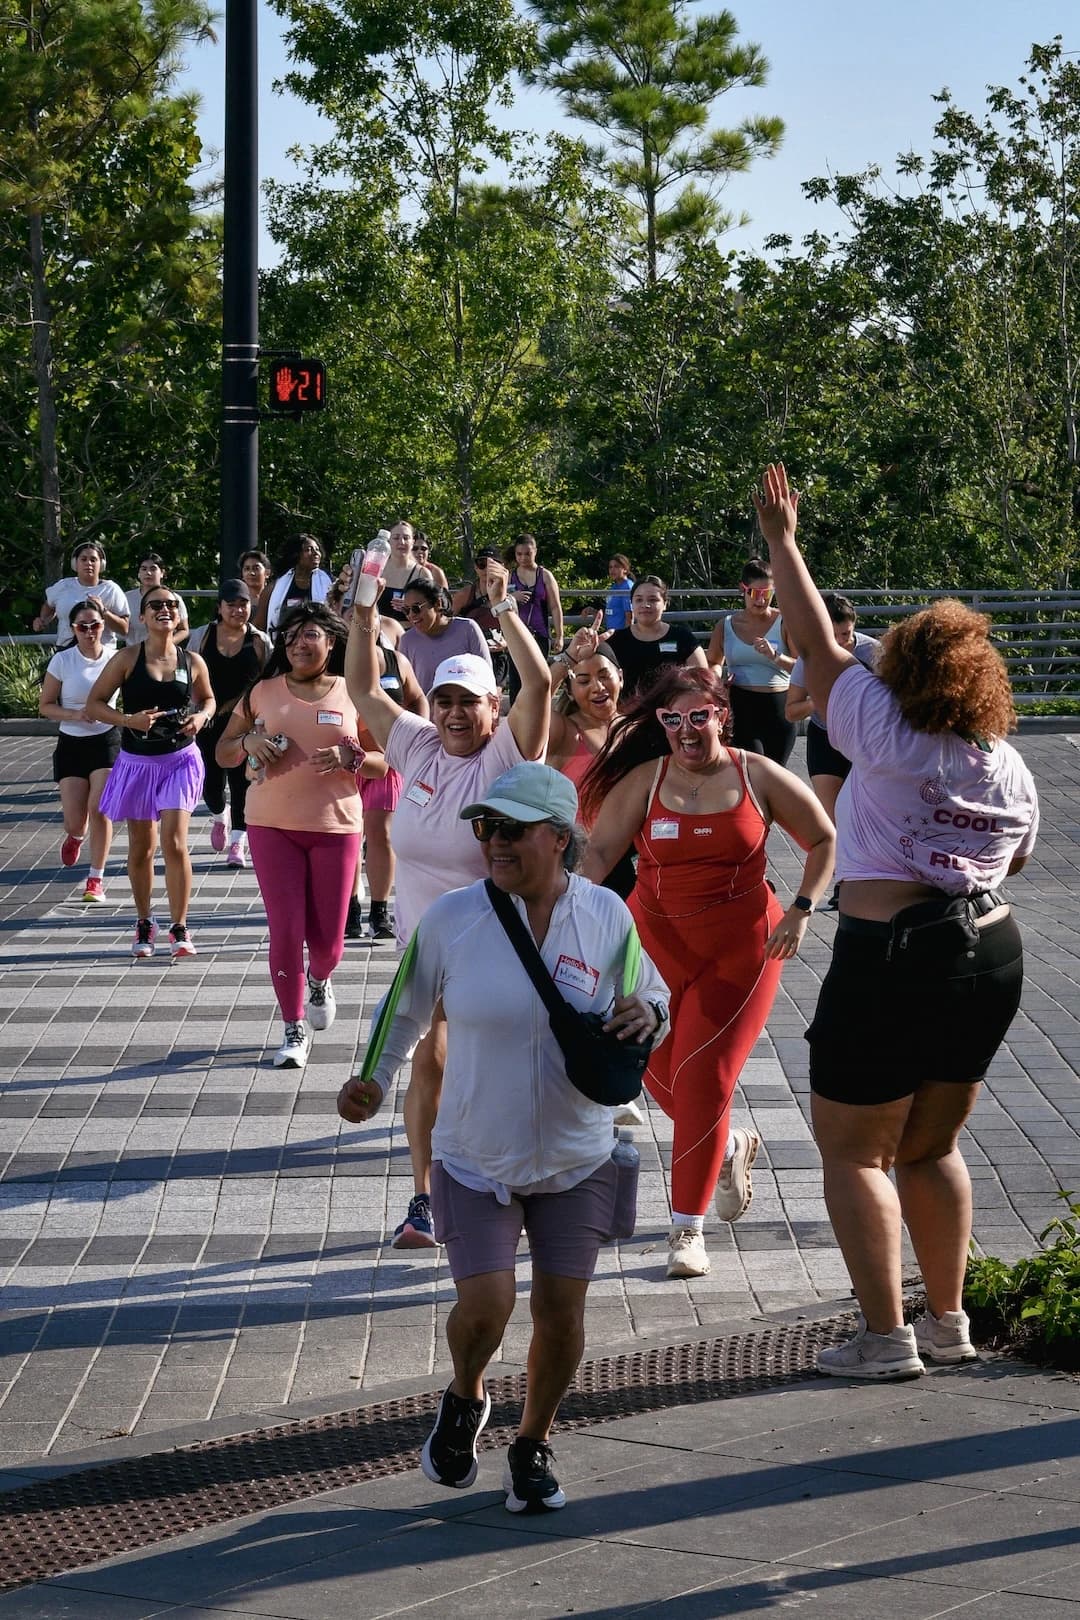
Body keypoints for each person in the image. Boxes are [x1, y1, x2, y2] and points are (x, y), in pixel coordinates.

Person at [753, 462, 1039, 1379]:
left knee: (854, 1152)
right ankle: (949, 1323)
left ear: (901, 673)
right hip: (990, 951)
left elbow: (812, 638)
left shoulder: (883, 729)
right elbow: (1015, 861)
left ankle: (885, 1339)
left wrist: (783, 541)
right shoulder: (1006, 763)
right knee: (931, 1144)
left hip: (891, 954)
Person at [337, 763, 670, 1513]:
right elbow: (404, 1009)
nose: (494, 842)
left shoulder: (606, 915)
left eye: (512, 829)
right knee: (486, 1306)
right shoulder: (453, 918)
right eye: (486, 827)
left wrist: (650, 1013)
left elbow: (647, 990)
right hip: (473, 1153)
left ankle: (532, 1444)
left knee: (561, 1312)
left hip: (579, 1153)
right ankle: (465, 1395)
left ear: (558, 838)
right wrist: (373, 1080)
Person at [582, 665, 835, 1279]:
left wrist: (801, 910)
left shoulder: (758, 775)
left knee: (702, 1081)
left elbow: (825, 840)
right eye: (672, 719)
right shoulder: (646, 779)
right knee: (650, 1070)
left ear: (722, 715)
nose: (686, 730)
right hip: (653, 951)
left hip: (741, 952)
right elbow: (598, 854)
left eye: (699, 716)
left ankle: (686, 1230)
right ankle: (728, 1143)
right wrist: (559, 917)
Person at [345, 556, 550, 1248]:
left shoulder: (508, 757)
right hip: (427, 947)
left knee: (496, 1068)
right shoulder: (419, 746)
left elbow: (539, 682)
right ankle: (425, 1199)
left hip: (502, 948)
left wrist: (505, 607)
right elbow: (361, 686)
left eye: (469, 702)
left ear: (494, 707)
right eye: (445, 701)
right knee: (430, 1057)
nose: (456, 713)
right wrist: (365, 606)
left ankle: (518, 1183)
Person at [215, 603, 387, 1068]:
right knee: (286, 930)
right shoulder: (262, 692)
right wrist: (248, 742)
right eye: (290, 636)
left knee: (329, 941)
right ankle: (292, 1026)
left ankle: (320, 977)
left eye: (310, 634)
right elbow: (224, 752)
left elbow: (384, 761)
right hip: (271, 824)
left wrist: (352, 758)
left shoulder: (355, 692)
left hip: (336, 826)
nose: (298, 644)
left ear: (331, 642)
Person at [85, 587, 215, 958]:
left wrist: (202, 717)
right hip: (138, 762)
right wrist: (129, 720)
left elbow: (208, 698)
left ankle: (179, 926)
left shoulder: (192, 660)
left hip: (180, 760)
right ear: (142, 616)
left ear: (179, 616)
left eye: (172, 605)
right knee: (143, 847)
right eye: (155, 605)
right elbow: (94, 704)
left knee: (174, 841)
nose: (165, 609)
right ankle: (145, 920)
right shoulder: (127, 658)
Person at [547, 613, 635, 899]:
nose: (597, 687)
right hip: (578, 865)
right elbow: (533, 702)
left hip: (630, 862)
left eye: (604, 676)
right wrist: (568, 658)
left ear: (620, 677)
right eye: (583, 681)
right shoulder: (564, 732)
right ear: (571, 691)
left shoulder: (637, 730)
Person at [187, 579, 272, 868]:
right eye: (231, 605)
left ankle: (238, 842)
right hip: (208, 721)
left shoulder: (259, 641)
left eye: (243, 604)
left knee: (241, 783)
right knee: (210, 784)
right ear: (220, 607)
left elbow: (269, 679)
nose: (238, 610)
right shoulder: (202, 636)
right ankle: (218, 814)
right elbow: (188, 675)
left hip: (245, 723)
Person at [39, 601, 120, 900]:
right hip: (71, 742)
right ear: (73, 629)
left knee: (100, 808)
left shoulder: (115, 658)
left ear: (103, 626)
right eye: (82, 627)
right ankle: (75, 836)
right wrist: (75, 714)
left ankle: (95, 878)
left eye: (95, 625)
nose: (89, 632)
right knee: (75, 820)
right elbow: (45, 706)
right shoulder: (63, 660)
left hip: (106, 740)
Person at [786, 593, 879, 827]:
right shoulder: (810, 656)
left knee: (863, 816)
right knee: (833, 819)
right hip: (824, 736)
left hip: (864, 738)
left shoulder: (873, 652)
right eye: (832, 635)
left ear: (854, 625)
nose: (839, 643)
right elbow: (791, 711)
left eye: (846, 634)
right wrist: (821, 698)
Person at [708, 558, 796, 765]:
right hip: (741, 705)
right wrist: (716, 679)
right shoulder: (725, 625)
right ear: (743, 589)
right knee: (750, 768)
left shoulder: (785, 622)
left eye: (768, 593)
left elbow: (801, 667)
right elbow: (713, 661)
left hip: (778, 706)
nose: (761, 600)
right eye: (755, 593)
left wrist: (775, 656)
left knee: (776, 772)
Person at [606, 575, 706, 699]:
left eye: (653, 600)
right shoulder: (616, 641)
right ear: (631, 604)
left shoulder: (682, 638)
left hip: (672, 709)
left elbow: (703, 683)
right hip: (627, 710)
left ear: (665, 604)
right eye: (639, 600)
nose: (645, 605)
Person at [399, 580, 492, 695]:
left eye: (416, 608)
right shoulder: (407, 641)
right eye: (406, 610)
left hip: (466, 703)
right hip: (426, 706)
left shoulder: (468, 629)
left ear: (437, 604)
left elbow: (486, 674)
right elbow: (404, 688)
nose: (411, 615)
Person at [32, 542, 128, 647]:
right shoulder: (63, 586)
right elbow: (49, 606)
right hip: (66, 650)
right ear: (75, 564)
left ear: (101, 564)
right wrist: (43, 620)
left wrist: (104, 611)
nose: (88, 563)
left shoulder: (111, 589)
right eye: (83, 559)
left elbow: (124, 629)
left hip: (102, 652)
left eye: (93, 560)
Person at [503, 533, 564, 698]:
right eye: (519, 554)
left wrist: (559, 635)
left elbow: (555, 607)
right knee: (516, 679)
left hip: (539, 633)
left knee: (538, 679)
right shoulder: (509, 576)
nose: (523, 558)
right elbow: (498, 603)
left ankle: (538, 710)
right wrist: (512, 597)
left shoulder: (545, 575)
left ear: (535, 552)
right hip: (516, 634)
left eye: (527, 554)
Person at [451, 547, 512, 690]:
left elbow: (516, 633)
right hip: (470, 656)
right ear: (475, 567)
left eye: (492, 564)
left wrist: (505, 644)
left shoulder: (509, 600)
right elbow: (447, 623)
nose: (486, 569)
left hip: (497, 656)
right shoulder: (465, 595)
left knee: (494, 695)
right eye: (482, 564)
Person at [263, 535, 335, 634]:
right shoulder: (275, 587)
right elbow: (260, 625)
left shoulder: (330, 583)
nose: (316, 553)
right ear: (296, 554)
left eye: (317, 549)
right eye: (309, 549)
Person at [376, 519, 434, 626]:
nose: (401, 542)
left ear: (412, 542)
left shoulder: (422, 574)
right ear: (388, 541)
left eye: (406, 538)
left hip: (409, 631)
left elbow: (432, 610)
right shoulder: (377, 569)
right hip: (377, 630)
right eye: (396, 538)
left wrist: (411, 607)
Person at [124, 554, 189, 645]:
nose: (148, 573)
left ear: (162, 573)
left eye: (153, 569)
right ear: (139, 573)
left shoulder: (173, 598)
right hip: (135, 650)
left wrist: (167, 644)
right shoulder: (126, 598)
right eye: (144, 569)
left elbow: (184, 629)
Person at [603, 554, 635, 632]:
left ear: (625, 569)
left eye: (616, 566)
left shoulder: (627, 587)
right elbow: (611, 613)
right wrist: (593, 611)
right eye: (610, 567)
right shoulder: (614, 587)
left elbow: (630, 617)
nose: (612, 570)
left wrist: (626, 636)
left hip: (621, 634)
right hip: (611, 633)